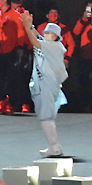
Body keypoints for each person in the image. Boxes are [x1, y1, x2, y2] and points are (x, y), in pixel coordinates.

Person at [18, 12, 67, 157]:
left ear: (56, 36)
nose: (46, 34)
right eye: (46, 32)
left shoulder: (55, 46)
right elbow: (37, 37)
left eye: (51, 33)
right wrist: (30, 25)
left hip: (47, 84)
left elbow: (35, 41)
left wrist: (27, 27)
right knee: (46, 115)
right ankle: (55, 145)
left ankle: (54, 147)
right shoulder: (48, 43)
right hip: (45, 83)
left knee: (46, 116)